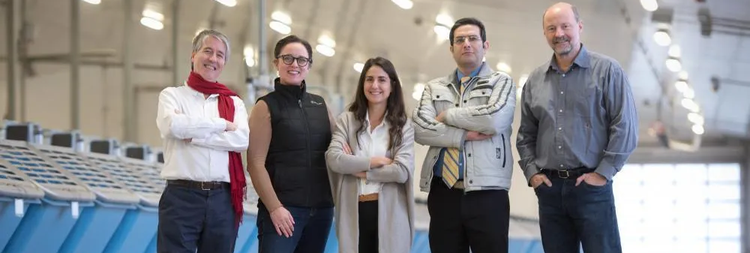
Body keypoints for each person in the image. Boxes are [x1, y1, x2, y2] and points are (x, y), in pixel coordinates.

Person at [516, 2, 638, 253]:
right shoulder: (535, 80)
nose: (559, 33)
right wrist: (532, 174)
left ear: (579, 27)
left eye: (565, 26)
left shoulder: (607, 71)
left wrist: (602, 174)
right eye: (552, 28)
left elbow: (624, 127)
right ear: (545, 34)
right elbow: (526, 135)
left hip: (592, 188)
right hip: (549, 190)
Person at [412, 17, 516, 253]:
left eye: (473, 38)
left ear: (485, 45)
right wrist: (463, 135)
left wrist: (447, 115)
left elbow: (493, 119)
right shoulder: (433, 88)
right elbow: (420, 129)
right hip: (443, 193)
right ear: (451, 49)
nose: (466, 44)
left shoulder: (501, 82)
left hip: (488, 193)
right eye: (460, 40)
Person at [155, 29, 249, 253]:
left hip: (222, 200)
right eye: (208, 51)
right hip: (181, 197)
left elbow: (241, 139)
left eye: (220, 55)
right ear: (193, 55)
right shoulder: (172, 95)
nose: (213, 59)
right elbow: (173, 126)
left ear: (224, 62)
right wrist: (221, 125)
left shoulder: (234, 103)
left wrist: (194, 135)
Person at [247, 35, 335, 253]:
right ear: (276, 63)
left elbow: (342, 149)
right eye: (287, 58)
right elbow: (255, 163)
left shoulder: (320, 104)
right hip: (283, 212)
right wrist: (275, 208)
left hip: (321, 211)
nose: (294, 64)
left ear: (309, 65)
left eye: (301, 60)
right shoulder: (265, 106)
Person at [326, 57, 416, 253]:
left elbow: (401, 171)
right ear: (362, 84)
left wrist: (361, 171)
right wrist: (373, 162)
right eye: (369, 79)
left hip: (391, 212)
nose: (375, 85)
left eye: (382, 80)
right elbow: (334, 159)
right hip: (354, 210)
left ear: (392, 86)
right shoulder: (346, 121)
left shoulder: (403, 126)